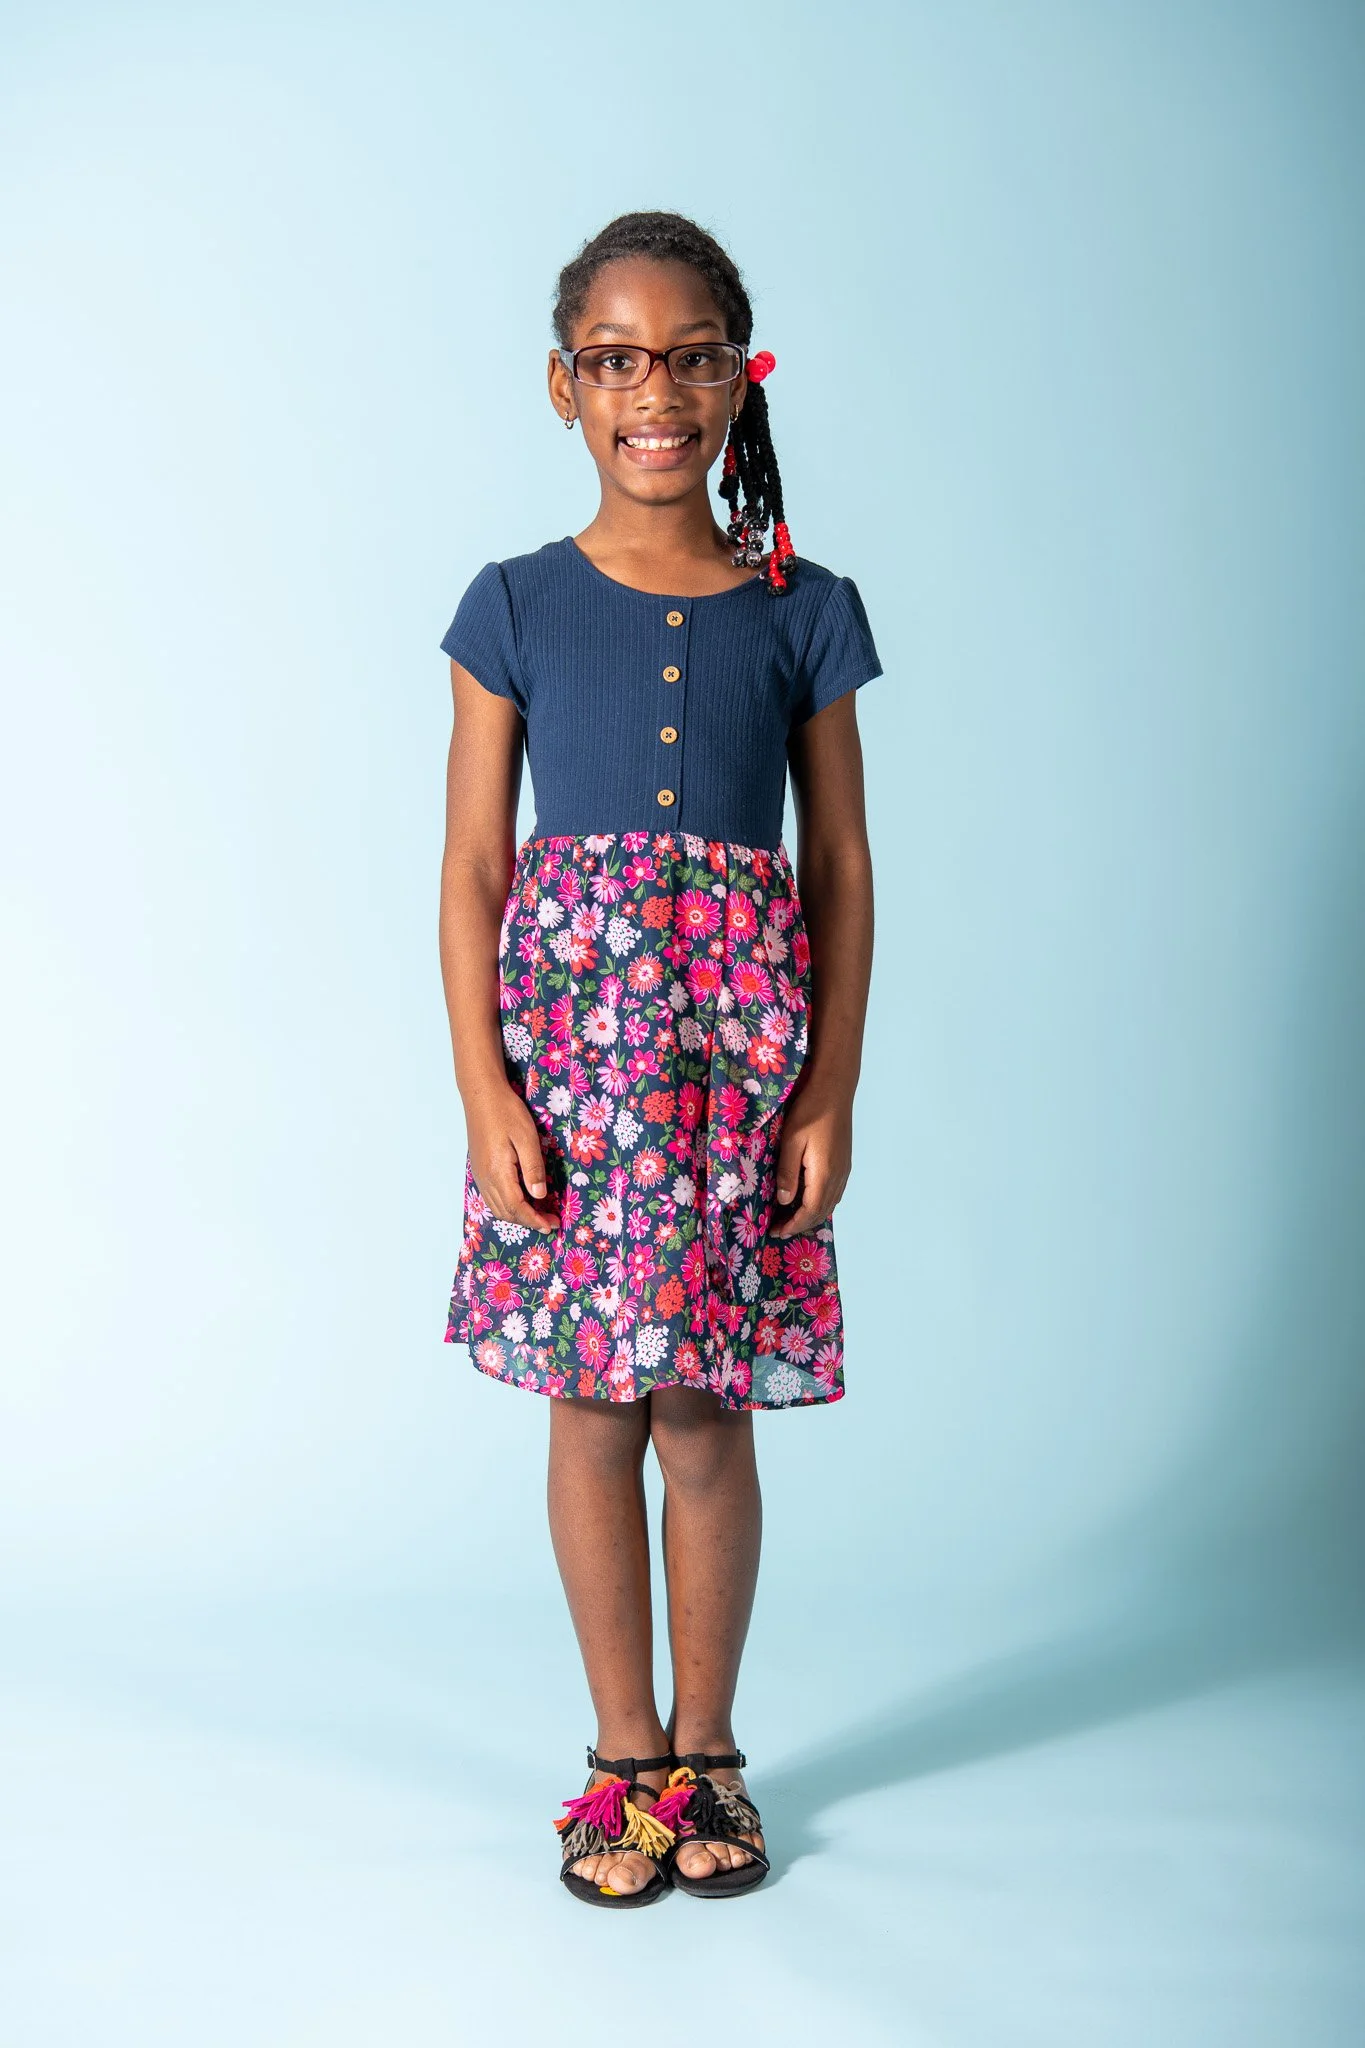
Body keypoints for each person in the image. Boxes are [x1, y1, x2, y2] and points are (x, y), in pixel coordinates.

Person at [437, 211, 881, 1907]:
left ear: (738, 376)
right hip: (574, 1069)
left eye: (692, 356)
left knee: (705, 1408)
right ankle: (621, 1758)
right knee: (594, 1401)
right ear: (568, 387)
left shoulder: (807, 612)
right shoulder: (513, 605)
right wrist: (487, 1089)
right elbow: (476, 870)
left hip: (737, 1068)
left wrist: (829, 1088)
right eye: (618, 360)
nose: (657, 391)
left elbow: (838, 869)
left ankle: (712, 1755)